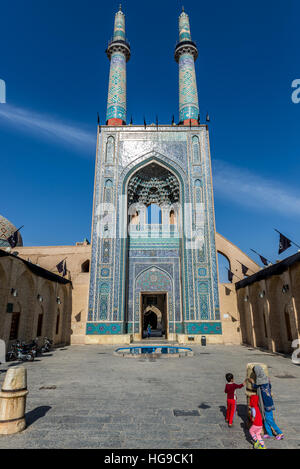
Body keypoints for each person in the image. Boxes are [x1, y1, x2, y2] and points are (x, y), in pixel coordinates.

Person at [249, 365, 284, 440]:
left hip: (266, 403)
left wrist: (252, 382)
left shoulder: (260, 381)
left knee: (269, 419)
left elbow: (256, 387)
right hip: (269, 401)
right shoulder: (266, 379)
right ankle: (269, 433)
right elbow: (269, 387)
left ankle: (280, 433)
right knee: (265, 418)